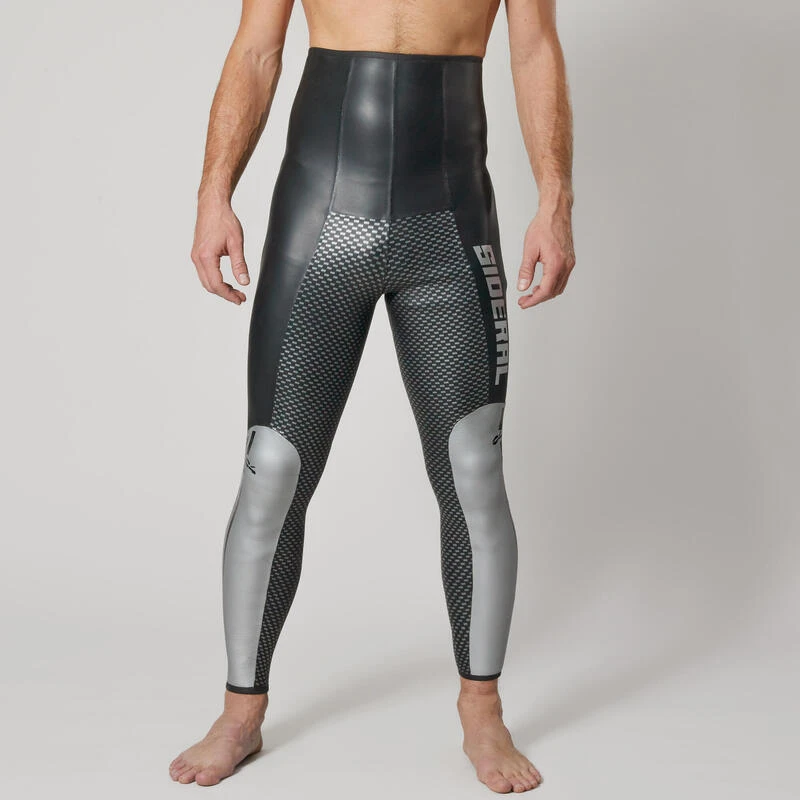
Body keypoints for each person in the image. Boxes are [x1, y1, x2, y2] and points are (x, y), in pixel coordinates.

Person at [169, 0, 575, 792]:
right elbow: (256, 49)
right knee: (272, 467)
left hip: (449, 221)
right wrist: (214, 195)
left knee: (474, 467)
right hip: (320, 213)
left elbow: (535, 49)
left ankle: (482, 707)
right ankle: (241, 710)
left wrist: (555, 203)